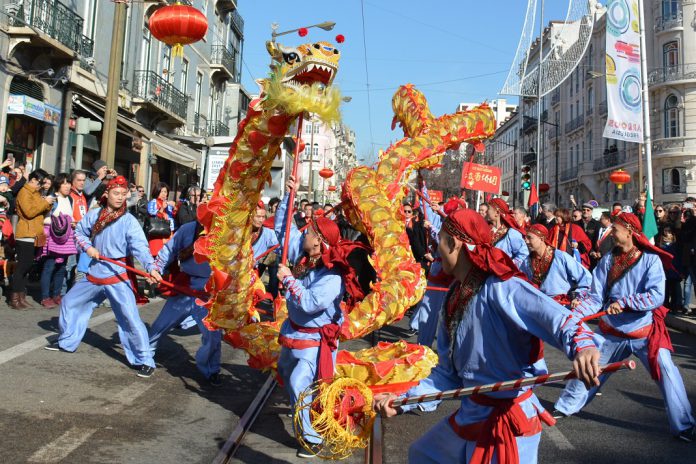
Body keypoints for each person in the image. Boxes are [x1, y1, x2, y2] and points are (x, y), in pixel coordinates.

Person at [373, 208, 603, 464]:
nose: (436, 250)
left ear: (455, 243)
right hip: (473, 413)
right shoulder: (453, 297)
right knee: (424, 454)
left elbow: (559, 319)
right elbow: (446, 374)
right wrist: (403, 399)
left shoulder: (504, 287)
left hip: (510, 423)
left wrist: (583, 346)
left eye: (439, 241)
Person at [554, 213, 695, 441]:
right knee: (589, 366)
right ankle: (564, 407)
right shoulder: (608, 260)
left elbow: (657, 296)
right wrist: (575, 315)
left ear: (629, 231)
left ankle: (684, 425)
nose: (611, 233)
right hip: (611, 333)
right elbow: (594, 297)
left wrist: (627, 302)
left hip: (644, 332)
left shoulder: (650, 260)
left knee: (667, 371)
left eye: (615, 230)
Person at [275, 174, 371, 458]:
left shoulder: (333, 277)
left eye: (309, 232)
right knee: (285, 375)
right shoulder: (305, 257)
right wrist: (287, 198)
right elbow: (285, 231)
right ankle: (311, 414)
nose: (304, 233)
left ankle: (311, 438)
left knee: (298, 384)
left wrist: (289, 280)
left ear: (319, 242)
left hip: (314, 343)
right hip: (292, 334)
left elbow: (310, 302)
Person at [45, 176, 161, 378]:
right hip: (95, 271)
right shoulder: (95, 215)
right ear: (107, 194)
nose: (119, 197)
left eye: (123, 194)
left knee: (130, 318)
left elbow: (140, 247)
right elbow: (79, 232)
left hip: (117, 274)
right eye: (116, 193)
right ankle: (67, 340)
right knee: (70, 302)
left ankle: (144, 359)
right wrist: (88, 247)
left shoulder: (129, 221)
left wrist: (151, 266)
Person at [148, 220, 223, 385]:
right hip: (185, 284)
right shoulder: (187, 229)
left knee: (212, 334)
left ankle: (211, 370)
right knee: (160, 325)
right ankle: (145, 356)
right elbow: (169, 249)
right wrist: (156, 269)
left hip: (209, 290)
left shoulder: (226, 231)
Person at [408, 196, 464, 347]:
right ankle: (422, 348)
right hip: (438, 272)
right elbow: (428, 213)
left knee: (449, 317)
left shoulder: (462, 227)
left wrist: (432, 229)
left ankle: (448, 352)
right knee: (427, 313)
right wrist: (422, 188)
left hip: (453, 276)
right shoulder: (445, 222)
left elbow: (450, 244)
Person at [10, 169, 55, 309]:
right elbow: (29, 212)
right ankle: (14, 297)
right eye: (40, 183)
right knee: (22, 266)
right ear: (34, 180)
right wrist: (44, 202)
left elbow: (40, 210)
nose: (41, 186)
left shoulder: (36, 193)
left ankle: (21, 296)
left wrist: (48, 202)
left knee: (28, 266)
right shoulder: (24, 192)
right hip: (26, 234)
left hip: (36, 233)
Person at [520, 224, 591, 307]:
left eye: (529, 238)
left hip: (561, 306)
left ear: (542, 239)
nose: (526, 241)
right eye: (525, 237)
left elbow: (586, 278)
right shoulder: (527, 261)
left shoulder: (561, 256)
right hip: (538, 306)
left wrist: (578, 296)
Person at [39, 173, 77, 308]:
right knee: (49, 266)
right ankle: (45, 297)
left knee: (62, 267)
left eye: (69, 183)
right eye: (64, 183)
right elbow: (45, 218)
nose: (67, 186)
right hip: (52, 236)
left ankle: (56, 295)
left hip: (65, 237)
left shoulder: (70, 199)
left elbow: (70, 216)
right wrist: (59, 222)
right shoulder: (52, 198)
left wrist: (71, 223)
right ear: (58, 184)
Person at [485, 198, 529, 266]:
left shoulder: (511, 233)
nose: (486, 211)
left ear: (497, 212)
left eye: (488, 209)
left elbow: (524, 254)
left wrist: (509, 265)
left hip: (505, 274)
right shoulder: (487, 230)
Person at [146, 182, 175, 256]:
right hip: (157, 233)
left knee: (167, 256)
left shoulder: (168, 204)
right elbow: (152, 215)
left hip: (168, 233)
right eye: (161, 191)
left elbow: (173, 217)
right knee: (156, 256)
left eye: (165, 192)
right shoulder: (153, 202)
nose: (163, 194)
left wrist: (175, 207)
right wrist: (162, 208)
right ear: (157, 191)